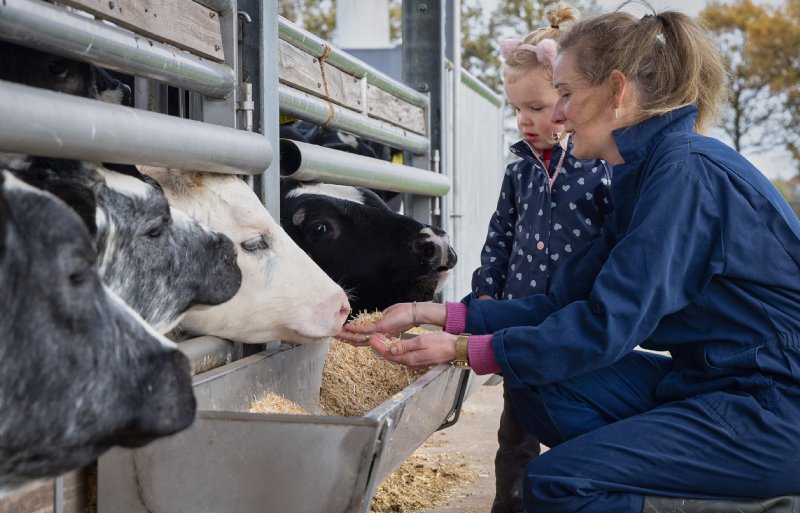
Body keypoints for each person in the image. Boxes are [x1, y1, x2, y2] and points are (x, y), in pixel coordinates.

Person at [338, 6, 800, 513]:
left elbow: (607, 325)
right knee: (538, 381)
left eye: (565, 94)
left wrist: (463, 350)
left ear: (618, 93)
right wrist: (437, 316)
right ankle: (667, 482)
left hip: (772, 406)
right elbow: (565, 301)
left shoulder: (685, 173)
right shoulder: (645, 174)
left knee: (558, 482)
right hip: (714, 381)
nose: (556, 116)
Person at [471, 3, 612, 512]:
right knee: (516, 436)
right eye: (516, 109)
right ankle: (509, 505)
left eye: (536, 106)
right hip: (520, 326)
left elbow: (612, 242)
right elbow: (500, 234)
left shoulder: (600, 167)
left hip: (575, 326)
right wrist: (487, 291)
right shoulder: (521, 171)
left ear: (569, 97)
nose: (525, 121)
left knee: (576, 426)